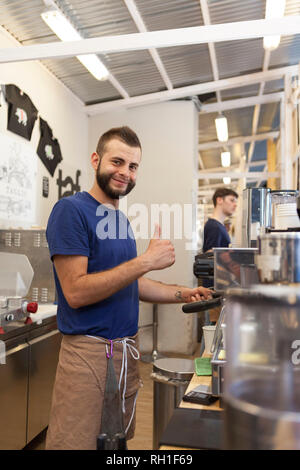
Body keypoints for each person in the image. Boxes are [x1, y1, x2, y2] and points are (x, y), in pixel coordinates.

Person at [45, 126, 212, 450]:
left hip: (124, 351)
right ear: (96, 159)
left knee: (115, 442)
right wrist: (146, 260)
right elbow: (76, 292)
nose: (125, 172)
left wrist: (183, 293)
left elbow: (128, 282)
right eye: (117, 161)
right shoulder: (71, 211)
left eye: (133, 166)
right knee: (74, 442)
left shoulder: (119, 220)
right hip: (87, 355)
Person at [203, 188, 238, 254]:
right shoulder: (214, 227)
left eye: (235, 201)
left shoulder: (219, 226)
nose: (235, 204)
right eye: (232, 200)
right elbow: (210, 256)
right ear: (219, 200)